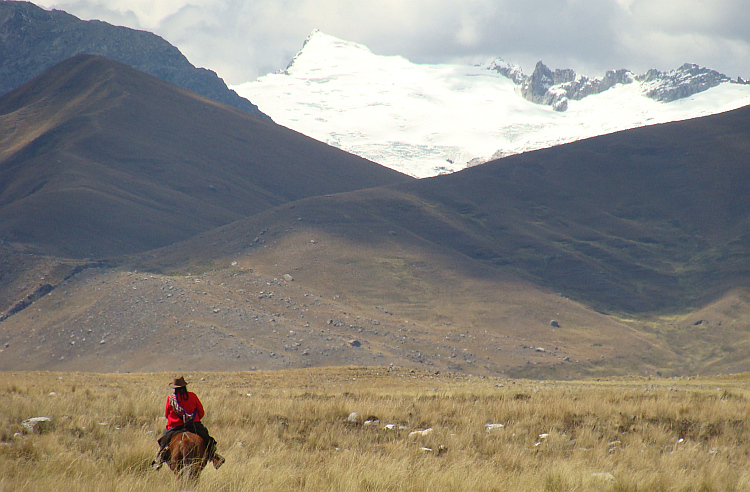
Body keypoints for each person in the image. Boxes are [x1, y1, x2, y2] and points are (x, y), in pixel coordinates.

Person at [151, 376, 225, 470]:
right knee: (207, 439)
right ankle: (214, 457)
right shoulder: (192, 396)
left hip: (175, 427)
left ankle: (159, 460)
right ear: (185, 386)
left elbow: (166, 415)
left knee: (163, 442)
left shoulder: (170, 399)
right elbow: (201, 412)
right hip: (193, 425)